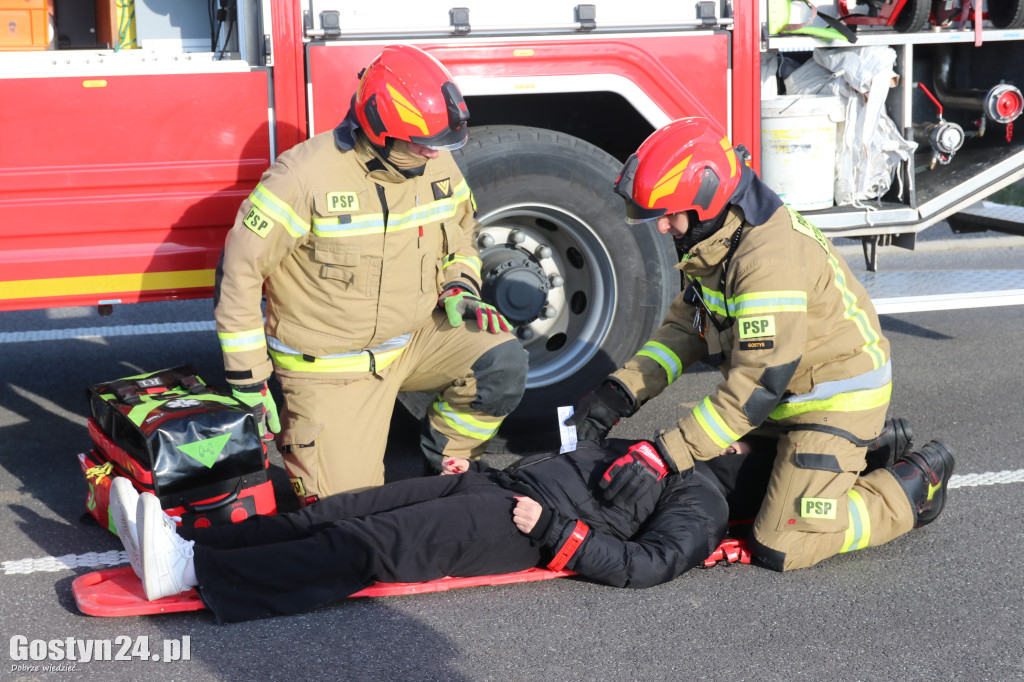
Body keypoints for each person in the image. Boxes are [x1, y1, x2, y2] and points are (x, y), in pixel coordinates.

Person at [565, 117, 956, 572]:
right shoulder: (720, 240)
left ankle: (908, 489)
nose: (662, 227)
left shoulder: (767, 261)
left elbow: (755, 385)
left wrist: (665, 453)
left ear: (708, 201)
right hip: (783, 401)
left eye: (669, 213)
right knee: (714, 475)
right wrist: (618, 393)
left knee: (783, 541)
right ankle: (859, 456)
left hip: (832, 402)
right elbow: (687, 328)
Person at [214, 44, 528, 502]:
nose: (432, 153)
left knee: (501, 360)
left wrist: (460, 283)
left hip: (411, 344)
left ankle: (447, 463)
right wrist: (249, 379)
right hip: (330, 371)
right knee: (347, 523)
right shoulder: (301, 178)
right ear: (378, 130)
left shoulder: (433, 162)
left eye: (438, 143)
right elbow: (238, 274)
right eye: (420, 143)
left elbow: (461, 231)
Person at [107, 438, 730, 624]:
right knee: (335, 512)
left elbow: (647, 564)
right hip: (496, 488)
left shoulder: (700, 497)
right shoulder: (669, 450)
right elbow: (570, 469)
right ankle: (195, 545)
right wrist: (483, 470)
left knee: (366, 545)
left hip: (519, 526)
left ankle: (191, 574)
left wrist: (555, 531)